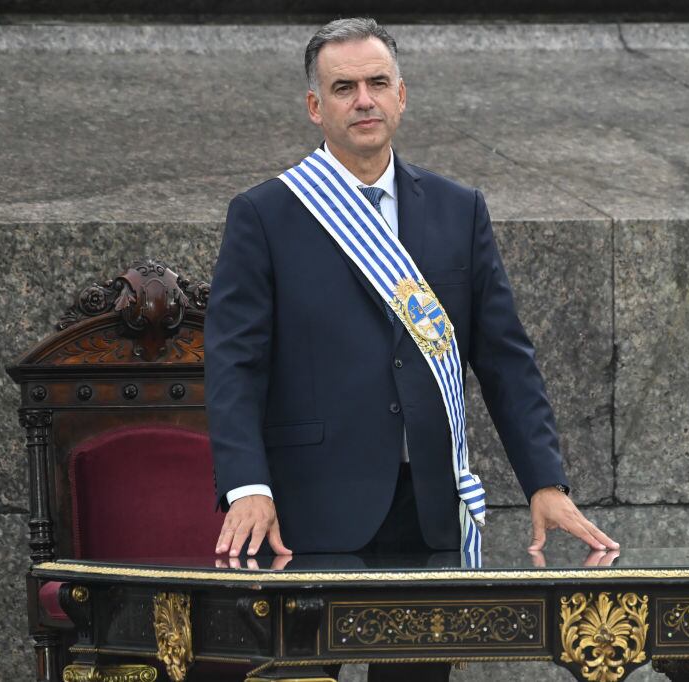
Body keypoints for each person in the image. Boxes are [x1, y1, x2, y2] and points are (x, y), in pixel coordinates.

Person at [205, 18, 618, 678]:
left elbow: (505, 355)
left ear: (403, 94)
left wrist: (544, 481)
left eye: (376, 83)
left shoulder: (458, 209)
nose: (362, 100)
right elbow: (234, 364)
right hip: (308, 506)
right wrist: (245, 486)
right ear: (317, 106)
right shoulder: (266, 214)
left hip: (429, 504)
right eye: (343, 87)